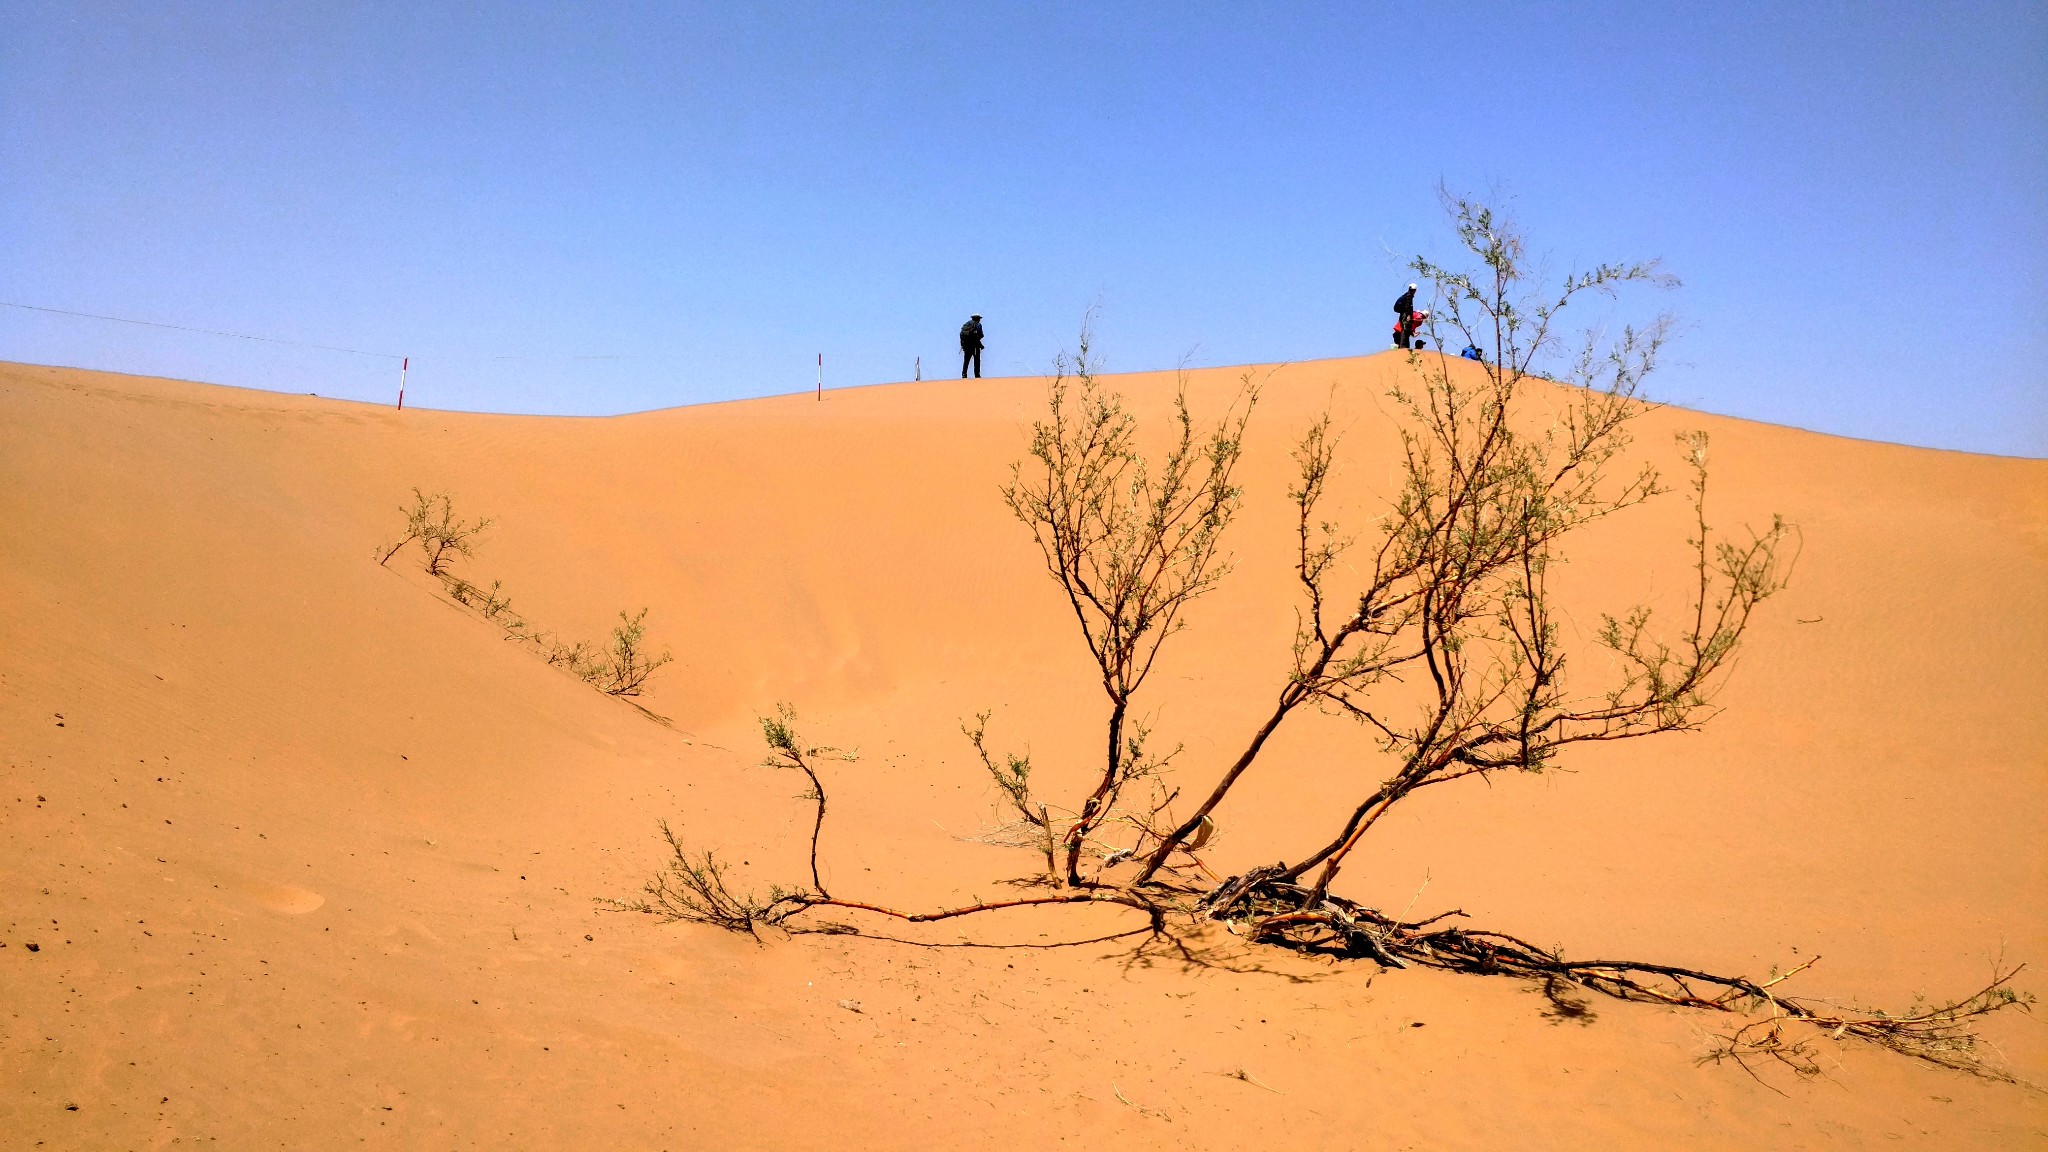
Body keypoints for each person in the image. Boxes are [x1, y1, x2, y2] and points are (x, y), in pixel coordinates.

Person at [960, 314, 985, 379]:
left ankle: (964, 374)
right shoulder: (978, 325)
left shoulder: (967, 324)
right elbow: (981, 335)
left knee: (966, 360)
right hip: (975, 345)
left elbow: (961, 334)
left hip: (967, 346)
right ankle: (977, 375)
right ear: (978, 318)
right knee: (977, 360)